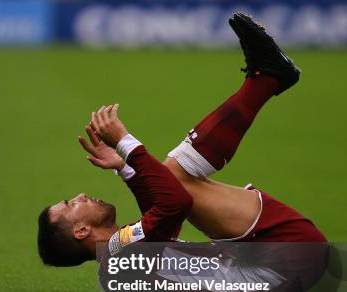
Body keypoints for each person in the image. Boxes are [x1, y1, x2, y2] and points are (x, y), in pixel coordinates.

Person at [37, 13, 326, 272]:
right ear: (81, 231)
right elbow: (175, 203)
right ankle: (266, 80)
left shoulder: (118, 258)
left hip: (277, 260)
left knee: (173, 178)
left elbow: (164, 221)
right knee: (175, 177)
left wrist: (126, 168)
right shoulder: (122, 259)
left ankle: (267, 79)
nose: (79, 196)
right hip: (288, 256)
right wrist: (125, 143)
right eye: (69, 204)